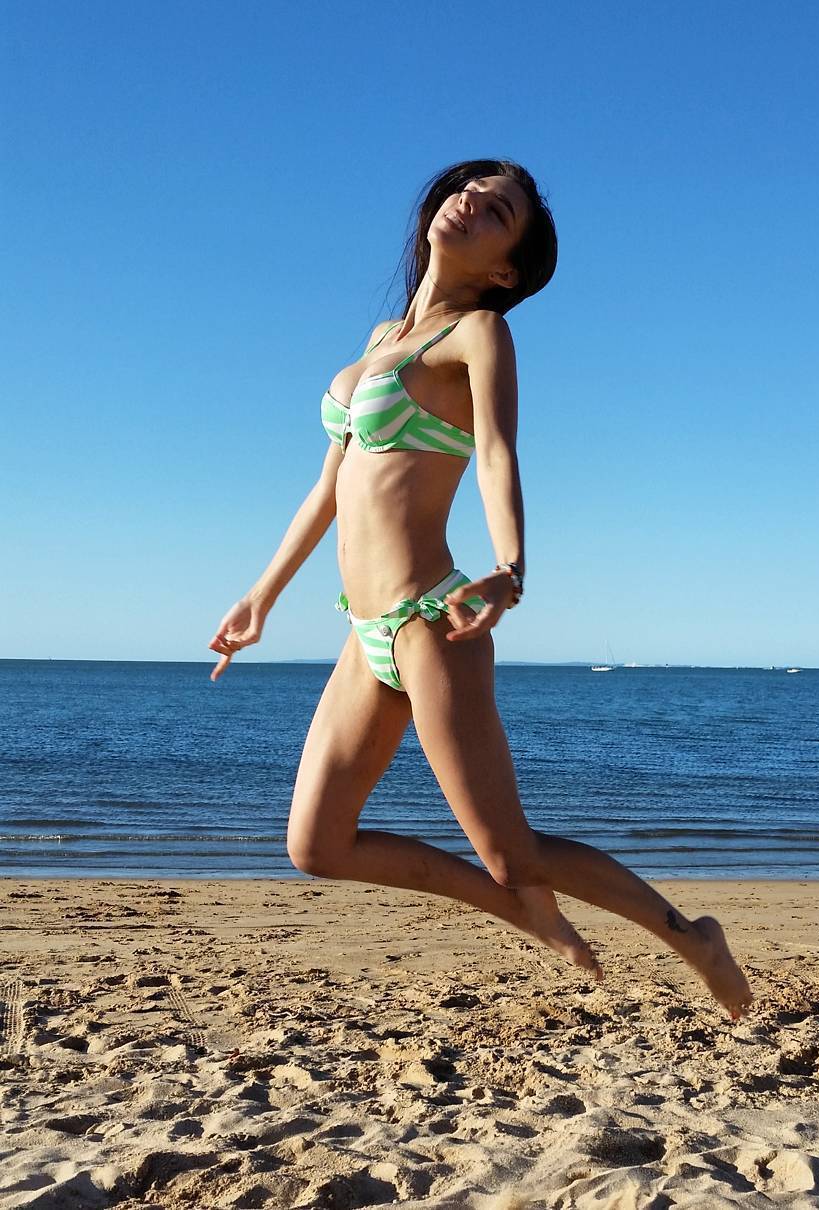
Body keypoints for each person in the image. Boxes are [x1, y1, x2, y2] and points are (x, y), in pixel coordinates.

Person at [208, 158, 753, 1020]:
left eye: (499, 211)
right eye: (471, 189)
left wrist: (511, 566)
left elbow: (497, 453)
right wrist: (261, 596)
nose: (471, 201)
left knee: (511, 851)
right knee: (317, 844)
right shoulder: (381, 338)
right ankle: (521, 912)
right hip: (366, 630)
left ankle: (693, 938)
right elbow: (328, 489)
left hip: (435, 619)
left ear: (506, 269)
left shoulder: (479, 334)